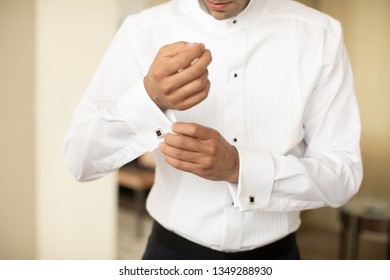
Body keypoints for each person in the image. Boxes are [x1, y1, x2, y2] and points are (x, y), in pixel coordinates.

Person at [64, 0, 362, 260]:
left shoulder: (320, 35)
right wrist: (149, 98)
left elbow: (343, 173)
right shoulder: (142, 30)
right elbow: (80, 160)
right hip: (169, 258)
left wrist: (238, 167)